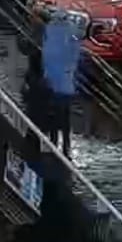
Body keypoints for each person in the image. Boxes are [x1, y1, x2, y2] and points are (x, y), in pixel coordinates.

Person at [40, 8, 84, 157]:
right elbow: (75, 56)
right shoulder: (71, 33)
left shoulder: (51, 32)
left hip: (54, 83)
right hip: (66, 84)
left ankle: (54, 144)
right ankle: (65, 147)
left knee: (54, 115)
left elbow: (47, 56)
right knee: (64, 117)